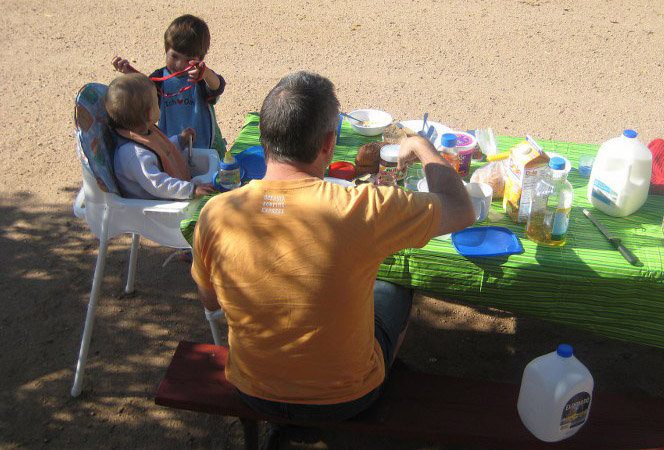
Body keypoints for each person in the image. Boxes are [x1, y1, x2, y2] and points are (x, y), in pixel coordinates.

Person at [190, 71, 475, 422]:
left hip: (253, 390)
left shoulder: (215, 213)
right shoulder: (362, 206)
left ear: (264, 139)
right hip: (348, 396)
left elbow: (211, 302)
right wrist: (420, 145)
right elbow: (462, 209)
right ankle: (382, 368)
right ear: (328, 144)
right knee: (396, 286)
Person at [111, 14, 227, 156]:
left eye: (189, 60)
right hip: (171, 147)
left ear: (200, 59)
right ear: (166, 50)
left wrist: (206, 73)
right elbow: (145, 92)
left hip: (208, 148)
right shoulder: (160, 78)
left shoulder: (200, 77)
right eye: (174, 56)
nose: (179, 65)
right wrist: (131, 73)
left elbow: (218, 87)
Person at [106, 73, 215, 200]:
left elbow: (161, 152)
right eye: (156, 101)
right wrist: (191, 190)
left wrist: (179, 141)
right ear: (149, 114)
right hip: (154, 212)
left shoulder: (145, 132)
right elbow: (159, 184)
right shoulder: (133, 154)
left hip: (168, 201)